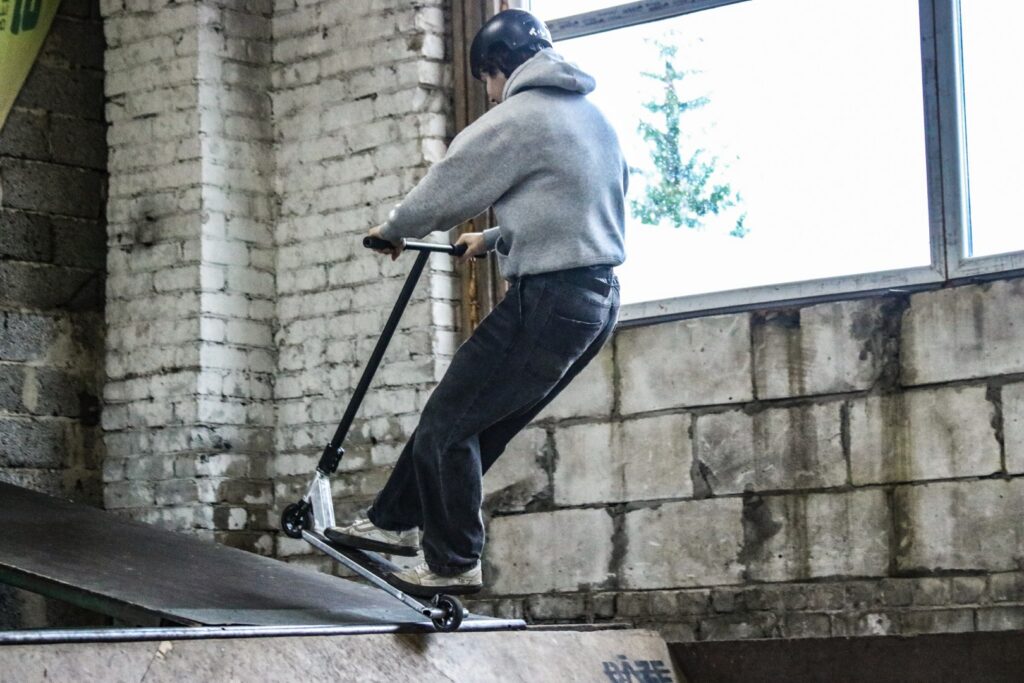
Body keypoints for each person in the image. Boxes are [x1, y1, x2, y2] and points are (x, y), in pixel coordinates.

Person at [325, 8, 628, 597]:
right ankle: (392, 521)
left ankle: (453, 561)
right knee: (474, 426)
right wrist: (491, 239)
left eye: (487, 79)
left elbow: (451, 182)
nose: (489, 94)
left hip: (549, 300)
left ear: (499, 65)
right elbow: (576, 207)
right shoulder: (591, 118)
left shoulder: (519, 116)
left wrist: (394, 230)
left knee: (447, 422)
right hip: (596, 302)